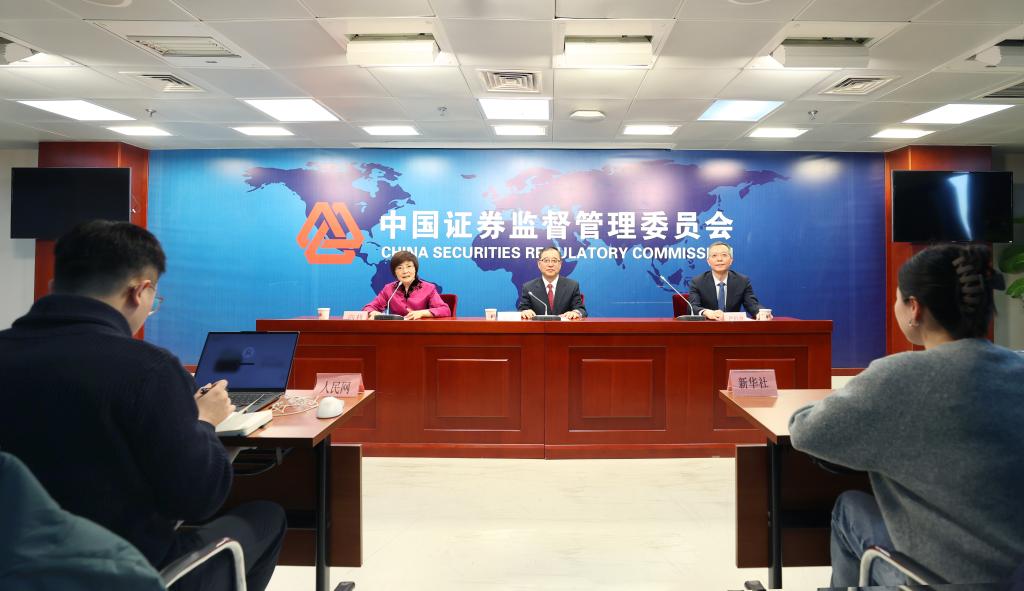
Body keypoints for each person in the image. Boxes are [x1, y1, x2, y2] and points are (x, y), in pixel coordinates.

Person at [0, 220, 285, 591]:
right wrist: (204, 421)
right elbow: (198, 500)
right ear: (140, 291)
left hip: (13, 568)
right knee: (267, 516)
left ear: (55, 287)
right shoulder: (149, 369)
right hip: (124, 571)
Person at [788, 243, 1024, 587]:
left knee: (849, 508)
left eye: (898, 299)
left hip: (947, 579)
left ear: (914, 308)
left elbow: (806, 431)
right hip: (1015, 575)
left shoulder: (898, 376)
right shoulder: (1018, 366)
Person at [688, 241, 770, 320]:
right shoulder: (698, 282)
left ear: (731, 260)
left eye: (724, 255)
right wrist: (706, 312)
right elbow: (692, 307)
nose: (719, 259)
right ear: (708, 261)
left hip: (733, 327)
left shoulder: (742, 281)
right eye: (714, 255)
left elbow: (752, 305)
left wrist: (760, 312)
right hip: (707, 327)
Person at [363, 250, 451, 319]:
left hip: (420, 330)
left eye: (409, 266)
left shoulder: (429, 288)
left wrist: (422, 313)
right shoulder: (389, 289)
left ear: (415, 269)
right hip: (395, 331)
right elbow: (368, 308)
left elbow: (445, 310)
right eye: (400, 268)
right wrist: (373, 313)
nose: (405, 271)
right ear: (395, 272)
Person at [518, 246, 587, 320]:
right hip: (538, 327)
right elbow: (522, 309)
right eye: (546, 260)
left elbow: (581, 310)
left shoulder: (572, 286)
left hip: (564, 327)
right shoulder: (528, 288)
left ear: (560, 264)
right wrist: (525, 312)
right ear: (539, 264)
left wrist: (576, 313)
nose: (550, 265)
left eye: (554, 260)